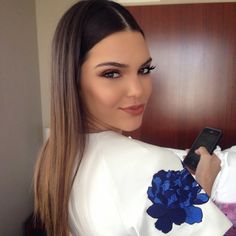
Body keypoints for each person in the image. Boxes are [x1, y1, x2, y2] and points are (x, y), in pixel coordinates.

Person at [34, 0, 232, 235]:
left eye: (144, 70)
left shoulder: (54, 154)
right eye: (112, 73)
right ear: (73, 81)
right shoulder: (155, 166)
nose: (138, 90)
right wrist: (201, 186)